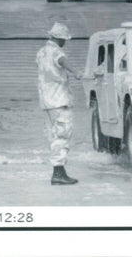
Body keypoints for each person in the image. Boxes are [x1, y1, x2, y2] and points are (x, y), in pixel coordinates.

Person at [37, 22, 82, 185]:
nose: (65, 42)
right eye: (64, 39)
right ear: (59, 38)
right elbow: (62, 61)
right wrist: (76, 72)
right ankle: (58, 173)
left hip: (46, 101)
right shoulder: (56, 51)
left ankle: (58, 172)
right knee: (63, 135)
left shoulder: (41, 52)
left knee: (53, 136)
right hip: (59, 100)